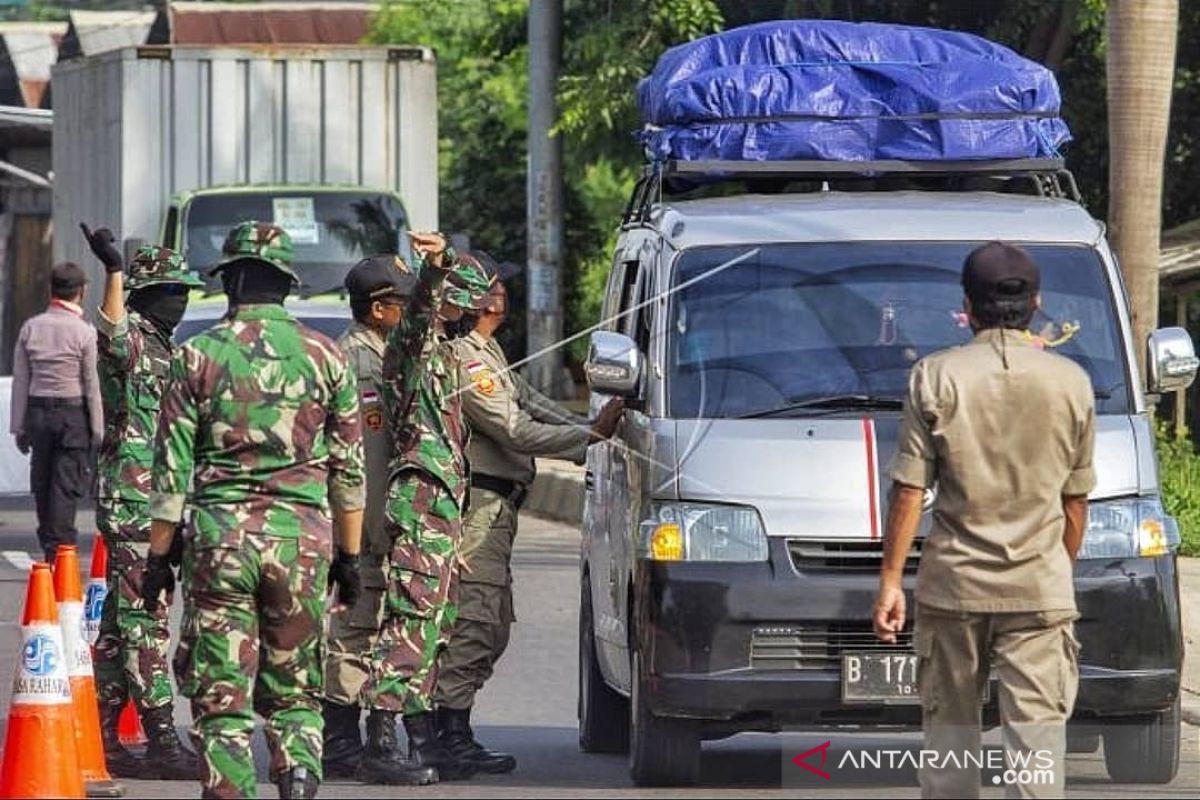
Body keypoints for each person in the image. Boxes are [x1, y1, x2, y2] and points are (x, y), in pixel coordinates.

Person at [144, 221, 366, 800]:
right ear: (287, 286)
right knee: (294, 688)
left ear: (233, 279)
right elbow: (349, 473)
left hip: (221, 541)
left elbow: (170, 471)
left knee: (222, 694)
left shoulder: (196, 355)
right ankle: (296, 776)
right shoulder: (327, 356)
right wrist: (350, 557)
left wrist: (158, 558)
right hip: (303, 541)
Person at [873, 242, 1094, 800]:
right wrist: (1054, 569)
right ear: (1036, 303)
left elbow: (909, 489)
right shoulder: (1071, 382)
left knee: (949, 756)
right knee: (1036, 760)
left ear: (966, 307)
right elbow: (1075, 502)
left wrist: (890, 584)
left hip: (954, 589)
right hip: (1039, 590)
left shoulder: (935, 376)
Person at [434, 252, 624, 773]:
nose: (502, 294)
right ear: (479, 299)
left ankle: (451, 727)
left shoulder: (487, 350)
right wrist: (589, 436)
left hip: (499, 506)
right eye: (495, 287)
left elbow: (536, 405)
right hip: (478, 507)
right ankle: (444, 733)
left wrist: (594, 429)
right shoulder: (465, 359)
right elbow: (515, 430)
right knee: (474, 621)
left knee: (492, 625)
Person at [357, 233, 491, 786]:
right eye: (465, 303)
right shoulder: (415, 346)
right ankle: (380, 740)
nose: (471, 315)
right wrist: (435, 267)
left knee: (435, 625)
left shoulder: (445, 355)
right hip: (420, 498)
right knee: (410, 621)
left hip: (439, 505)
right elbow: (418, 313)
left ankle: (417, 738)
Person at [82, 225, 203, 780]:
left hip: (158, 504)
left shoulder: (168, 348)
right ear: (147, 295)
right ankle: (159, 739)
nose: (180, 300)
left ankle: (102, 733)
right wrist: (113, 272)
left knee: (116, 626)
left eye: (184, 291)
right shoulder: (132, 340)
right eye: (171, 291)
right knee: (147, 621)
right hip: (134, 504)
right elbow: (108, 330)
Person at [322, 254, 418, 779]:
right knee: (354, 631)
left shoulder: (377, 353)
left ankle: (351, 742)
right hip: (363, 526)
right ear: (379, 309)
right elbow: (363, 460)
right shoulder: (359, 361)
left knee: (369, 629)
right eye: (402, 303)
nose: (407, 311)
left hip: (372, 525)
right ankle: (341, 746)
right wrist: (360, 541)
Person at [9, 261, 104, 563]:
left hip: (37, 415)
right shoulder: (84, 332)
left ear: (51, 290)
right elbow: (92, 384)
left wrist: (18, 426)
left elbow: (21, 380)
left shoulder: (31, 327)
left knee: (42, 481)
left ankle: (50, 544)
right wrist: (98, 430)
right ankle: (61, 552)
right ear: (82, 292)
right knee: (65, 486)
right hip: (72, 417)